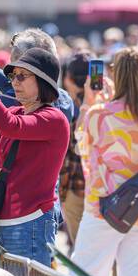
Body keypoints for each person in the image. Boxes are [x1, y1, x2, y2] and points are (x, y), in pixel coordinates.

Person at [0, 46, 69, 264]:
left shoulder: (54, 118)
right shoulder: (17, 112)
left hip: (30, 225)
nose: (14, 82)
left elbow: (9, 126)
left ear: (43, 81)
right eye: (12, 76)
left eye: (22, 76)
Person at [71, 47, 138, 276]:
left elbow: (82, 147)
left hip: (105, 202)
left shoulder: (99, 114)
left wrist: (90, 103)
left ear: (117, 75)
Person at [58, 53, 92, 245]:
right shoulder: (104, 103)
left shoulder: (66, 107)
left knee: (80, 249)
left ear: (68, 79)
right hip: (103, 186)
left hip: (75, 187)